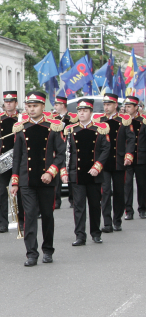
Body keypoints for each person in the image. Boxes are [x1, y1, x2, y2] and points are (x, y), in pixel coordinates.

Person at [10, 91, 66, 266]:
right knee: (29, 215)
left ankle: (47, 250)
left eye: (35, 106)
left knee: (47, 216)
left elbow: (61, 154)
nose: (31, 109)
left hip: (47, 180)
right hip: (27, 180)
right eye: (29, 106)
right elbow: (17, 157)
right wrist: (15, 181)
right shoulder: (21, 129)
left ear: (43, 107)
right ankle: (31, 253)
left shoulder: (53, 127)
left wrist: (51, 172)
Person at [63, 99, 108, 246]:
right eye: (79, 111)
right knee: (79, 206)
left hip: (94, 173)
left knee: (95, 205)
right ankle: (80, 235)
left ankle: (95, 233)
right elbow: (67, 152)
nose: (82, 113)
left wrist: (98, 166)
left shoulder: (99, 129)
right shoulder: (71, 130)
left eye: (85, 111)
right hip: (77, 173)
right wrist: (66, 171)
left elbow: (105, 149)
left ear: (91, 112)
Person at [97, 93, 135, 233]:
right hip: (104, 162)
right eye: (105, 105)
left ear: (115, 105)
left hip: (119, 161)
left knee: (119, 192)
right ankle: (107, 223)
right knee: (105, 192)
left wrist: (129, 155)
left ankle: (117, 220)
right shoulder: (100, 120)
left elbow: (131, 139)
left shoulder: (124, 120)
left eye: (109, 104)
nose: (106, 107)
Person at [0, 91, 24, 233]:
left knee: (21, 191)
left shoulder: (22, 118)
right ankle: (3, 223)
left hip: (19, 157)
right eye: (6, 101)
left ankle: (22, 221)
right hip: (4, 158)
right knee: (3, 192)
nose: (9, 103)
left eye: (11, 101)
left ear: (16, 103)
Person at [53, 96, 77, 208]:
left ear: (63, 105)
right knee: (57, 174)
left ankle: (72, 199)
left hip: (69, 148)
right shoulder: (54, 119)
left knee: (70, 173)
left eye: (57, 105)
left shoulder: (72, 118)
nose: (55, 107)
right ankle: (56, 200)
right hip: (58, 148)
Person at [122, 97, 144, 221]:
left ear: (136, 107)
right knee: (127, 185)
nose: (127, 108)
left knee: (142, 185)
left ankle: (142, 208)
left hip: (141, 157)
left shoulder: (143, 121)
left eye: (130, 106)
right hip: (127, 158)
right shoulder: (123, 121)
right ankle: (128, 210)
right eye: (126, 106)